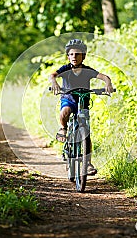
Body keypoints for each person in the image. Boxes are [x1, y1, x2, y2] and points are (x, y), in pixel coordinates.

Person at [49, 39, 114, 176]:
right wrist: (54, 82)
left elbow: (103, 76)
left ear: (83, 56)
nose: (74, 57)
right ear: (68, 56)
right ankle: (63, 129)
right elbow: (52, 75)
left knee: (86, 133)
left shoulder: (87, 71)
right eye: (71, 54)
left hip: (83, 102)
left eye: (77, 54)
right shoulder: (65, 69)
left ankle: (88, 163)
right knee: (65, 112)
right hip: (69, 99)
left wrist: (108, 83)